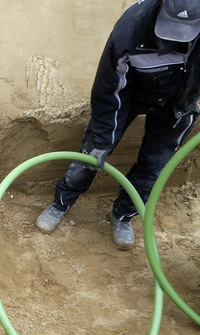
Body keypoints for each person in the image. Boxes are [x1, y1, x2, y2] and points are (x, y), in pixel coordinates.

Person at [36, 0, 200, 250]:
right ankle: (61, 203)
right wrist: (102, 140)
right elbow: (109, 88)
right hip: (129, 95)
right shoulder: (132, 28)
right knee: (91, 154)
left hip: (180, 101)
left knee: (153, 167)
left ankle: (123, 216)